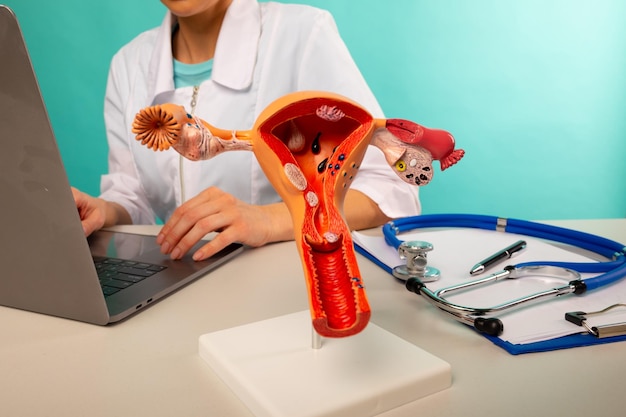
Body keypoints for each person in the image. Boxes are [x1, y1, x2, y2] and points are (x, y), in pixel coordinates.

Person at [73, 0, 421, 261]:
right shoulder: (128, 64)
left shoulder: (301, 34)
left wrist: (268, 220)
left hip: (287, 291)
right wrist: (106, 211)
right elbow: (134, 195)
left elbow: (391, 190)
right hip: (183, 290)